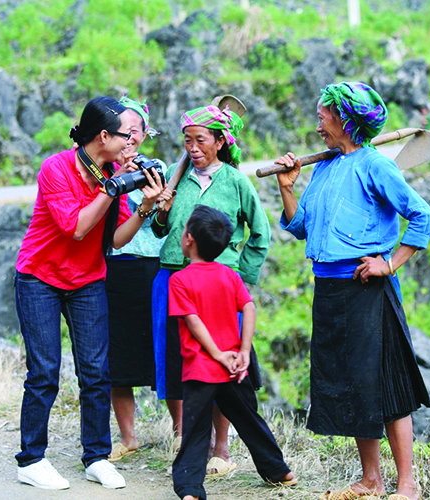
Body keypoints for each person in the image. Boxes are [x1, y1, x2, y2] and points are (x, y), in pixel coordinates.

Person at [273, 82, 430, 500]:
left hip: (367, 290)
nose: (317, 126)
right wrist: (288, 187)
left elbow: (423, 219)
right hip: (328, 289)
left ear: (345, 120)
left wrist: (389, 263)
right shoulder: (326, 166)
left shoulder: (376, 166)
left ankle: (407, 485)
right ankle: (370, 480)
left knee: (384, 385)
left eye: (322, 117)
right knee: (351, 384)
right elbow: (299, 228)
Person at [14, 96, 171, 490]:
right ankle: (31, 459)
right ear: (104, 135)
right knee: (45, 371)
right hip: (40, 278)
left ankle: (96, 456)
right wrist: (112, 186)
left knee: (97, 372)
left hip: (87, 279)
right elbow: (78, 228)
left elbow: (116, 239)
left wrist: (145, 207)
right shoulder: (57, 168)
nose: (131, 145)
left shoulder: (110, 173)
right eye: (127, 137)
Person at [152, 104, 271, 476]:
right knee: (177, 362)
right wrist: (159, 211)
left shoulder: (236, 181)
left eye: (200, 140)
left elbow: (261, 235)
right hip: (173, 278)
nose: (193, 148)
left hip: (219, 286)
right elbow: (160, 231)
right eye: (187, 140)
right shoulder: (175, 175)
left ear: (220, 142)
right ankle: (186, 440)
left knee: (221, 364)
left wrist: (241, 274)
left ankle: (221, 448)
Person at [169, 205, 296, 500]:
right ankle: (279, 471)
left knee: (196, 430)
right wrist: (242, 351)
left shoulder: (180, 280)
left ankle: (190, 489)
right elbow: (248, 308)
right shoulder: (229, 275)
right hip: (235, 368)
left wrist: (216, 354)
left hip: (202, 368)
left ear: (188, 238)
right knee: (250, 420)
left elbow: (193, 321)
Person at [104, 95, 166, 462]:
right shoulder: (101, 172)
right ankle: (128, 437)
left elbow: (166, 226)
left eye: (134, 131)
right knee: (118, 358)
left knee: (164, 351)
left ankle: (180, 433)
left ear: (144, 135)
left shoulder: (155, 170)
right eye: (120, 131)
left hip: (153, 268)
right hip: (112, 269)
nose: (127, 138)